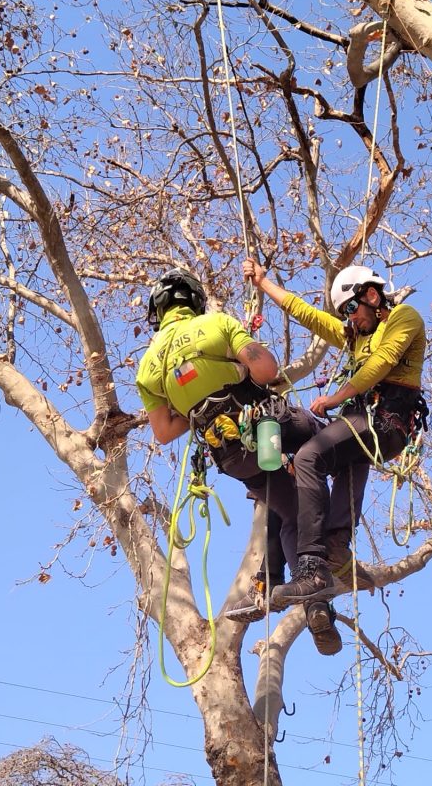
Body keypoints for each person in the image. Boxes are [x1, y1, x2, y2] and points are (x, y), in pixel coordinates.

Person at [135, 267, 331, 647]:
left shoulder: (147, 369)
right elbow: (266, 369)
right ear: (194, 300)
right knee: (327, 439)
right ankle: (325, 548)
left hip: (233, 456)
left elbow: (164, 431)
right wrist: (238, 372)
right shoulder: (216, 323)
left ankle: (305, 600)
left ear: (158, 313)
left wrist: (197, 402)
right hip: (268, 429)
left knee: (287, 509)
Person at [242, 260, 427, 635]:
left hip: (385, 422)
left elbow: (381, 363)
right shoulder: (354, 334)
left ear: (372, 295)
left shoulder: (403, 318)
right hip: (356, 422)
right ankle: (304, 573)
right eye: (345, 313)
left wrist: (335, 397)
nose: (350, 318)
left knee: (310, 456)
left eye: (352, 308)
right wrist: (263, 283)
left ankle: (313, 568)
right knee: (287, 467)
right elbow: (307, 315)